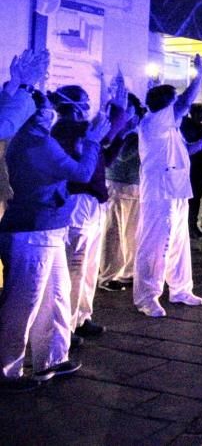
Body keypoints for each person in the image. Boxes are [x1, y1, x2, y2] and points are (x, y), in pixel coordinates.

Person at [0, 91, 108, 392]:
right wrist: (93, 141)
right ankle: (8, 370)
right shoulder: (35, 141)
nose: (52, 115)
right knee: (25, 303)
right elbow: (83, 172)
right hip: (33, 230)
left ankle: (52, 358)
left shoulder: (34, 138)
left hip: (51, 226)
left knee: (57, 296)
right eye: (47, 111)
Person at [134, 55, 202, 318]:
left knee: (179, 245)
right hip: (159, 194)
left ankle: (180, 289)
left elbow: (183, 152)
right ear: (165, 106)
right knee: (156, 246)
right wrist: (198, 77)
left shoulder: (171, 129)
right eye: (174, 100)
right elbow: (183, 104)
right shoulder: (153, 122)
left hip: (177, 191)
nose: (179, 105)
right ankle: (147, 297)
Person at [50, 81, 131, 339]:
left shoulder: (79, 129)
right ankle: (67, 326)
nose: (88, 105)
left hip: (92, 202)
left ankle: (82, 316)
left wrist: (119, 136)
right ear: (74, 105)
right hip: (78, 202)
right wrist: (118, 104)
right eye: (85, 100)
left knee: (88, 266)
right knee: (75, 267)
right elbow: (110, 126)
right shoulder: (67, 126)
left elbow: (103, 159)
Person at [98, 93, 143, 293]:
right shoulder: (113, 131)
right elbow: (122, 155)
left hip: (137, 185)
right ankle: (108, 275)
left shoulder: (138, 131)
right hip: (117, 184)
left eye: (132, 111)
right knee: (114, 232)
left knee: (132, 233)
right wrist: (130, 134)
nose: (131, 115)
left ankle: (127, 271)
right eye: (127, 111)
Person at [181, 102, 202, 239]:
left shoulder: (193, 127)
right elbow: (199, 144)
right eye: (201, 112)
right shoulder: (190, 127)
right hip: (195, 166)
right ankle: (191, 227)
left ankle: (192, 226)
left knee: (195, 198)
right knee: (193, 199)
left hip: (199, 166)